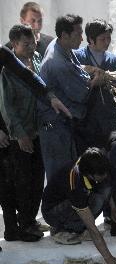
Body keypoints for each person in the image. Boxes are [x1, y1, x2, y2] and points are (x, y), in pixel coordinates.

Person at [0, 25, 46, 242]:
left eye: (33, 42)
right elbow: (7, 106)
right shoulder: (7, 69)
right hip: (17, 134)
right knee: (19, 181)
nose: (31, 47)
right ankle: (21, 225)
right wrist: (19, 134)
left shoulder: (36, 59)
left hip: (37, 131)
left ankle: (29, 220)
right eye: (25, 44)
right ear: (14, 45)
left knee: (37, 178)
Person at [39, 14, 98, 180]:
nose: (82, 38)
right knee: (62, 177)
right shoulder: (58, 63)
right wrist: (97, 80)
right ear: (64, 35)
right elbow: (83, 94)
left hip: (60, 124)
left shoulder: (59, 46)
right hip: (56, 127)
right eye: (78, 34)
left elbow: (77, 71)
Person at [41, 147, 116, 264]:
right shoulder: (75, 182)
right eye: (99, 177)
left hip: (78, 199)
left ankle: (78, 228)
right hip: (54, 211)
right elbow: (92, 228)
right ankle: (60, 230)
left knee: (104, 192)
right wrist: (109, 260)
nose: (103, 178)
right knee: (92, 209)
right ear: (88, 174)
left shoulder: (102, 164)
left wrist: (114, 210)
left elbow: (109, 186)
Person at [74, 19, 116, 148]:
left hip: (109, 114)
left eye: (108, 38)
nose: (107, 42)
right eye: (102, 39)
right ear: (91, 39)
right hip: (86, 117)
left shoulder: (113, 59)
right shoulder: (77, 57)